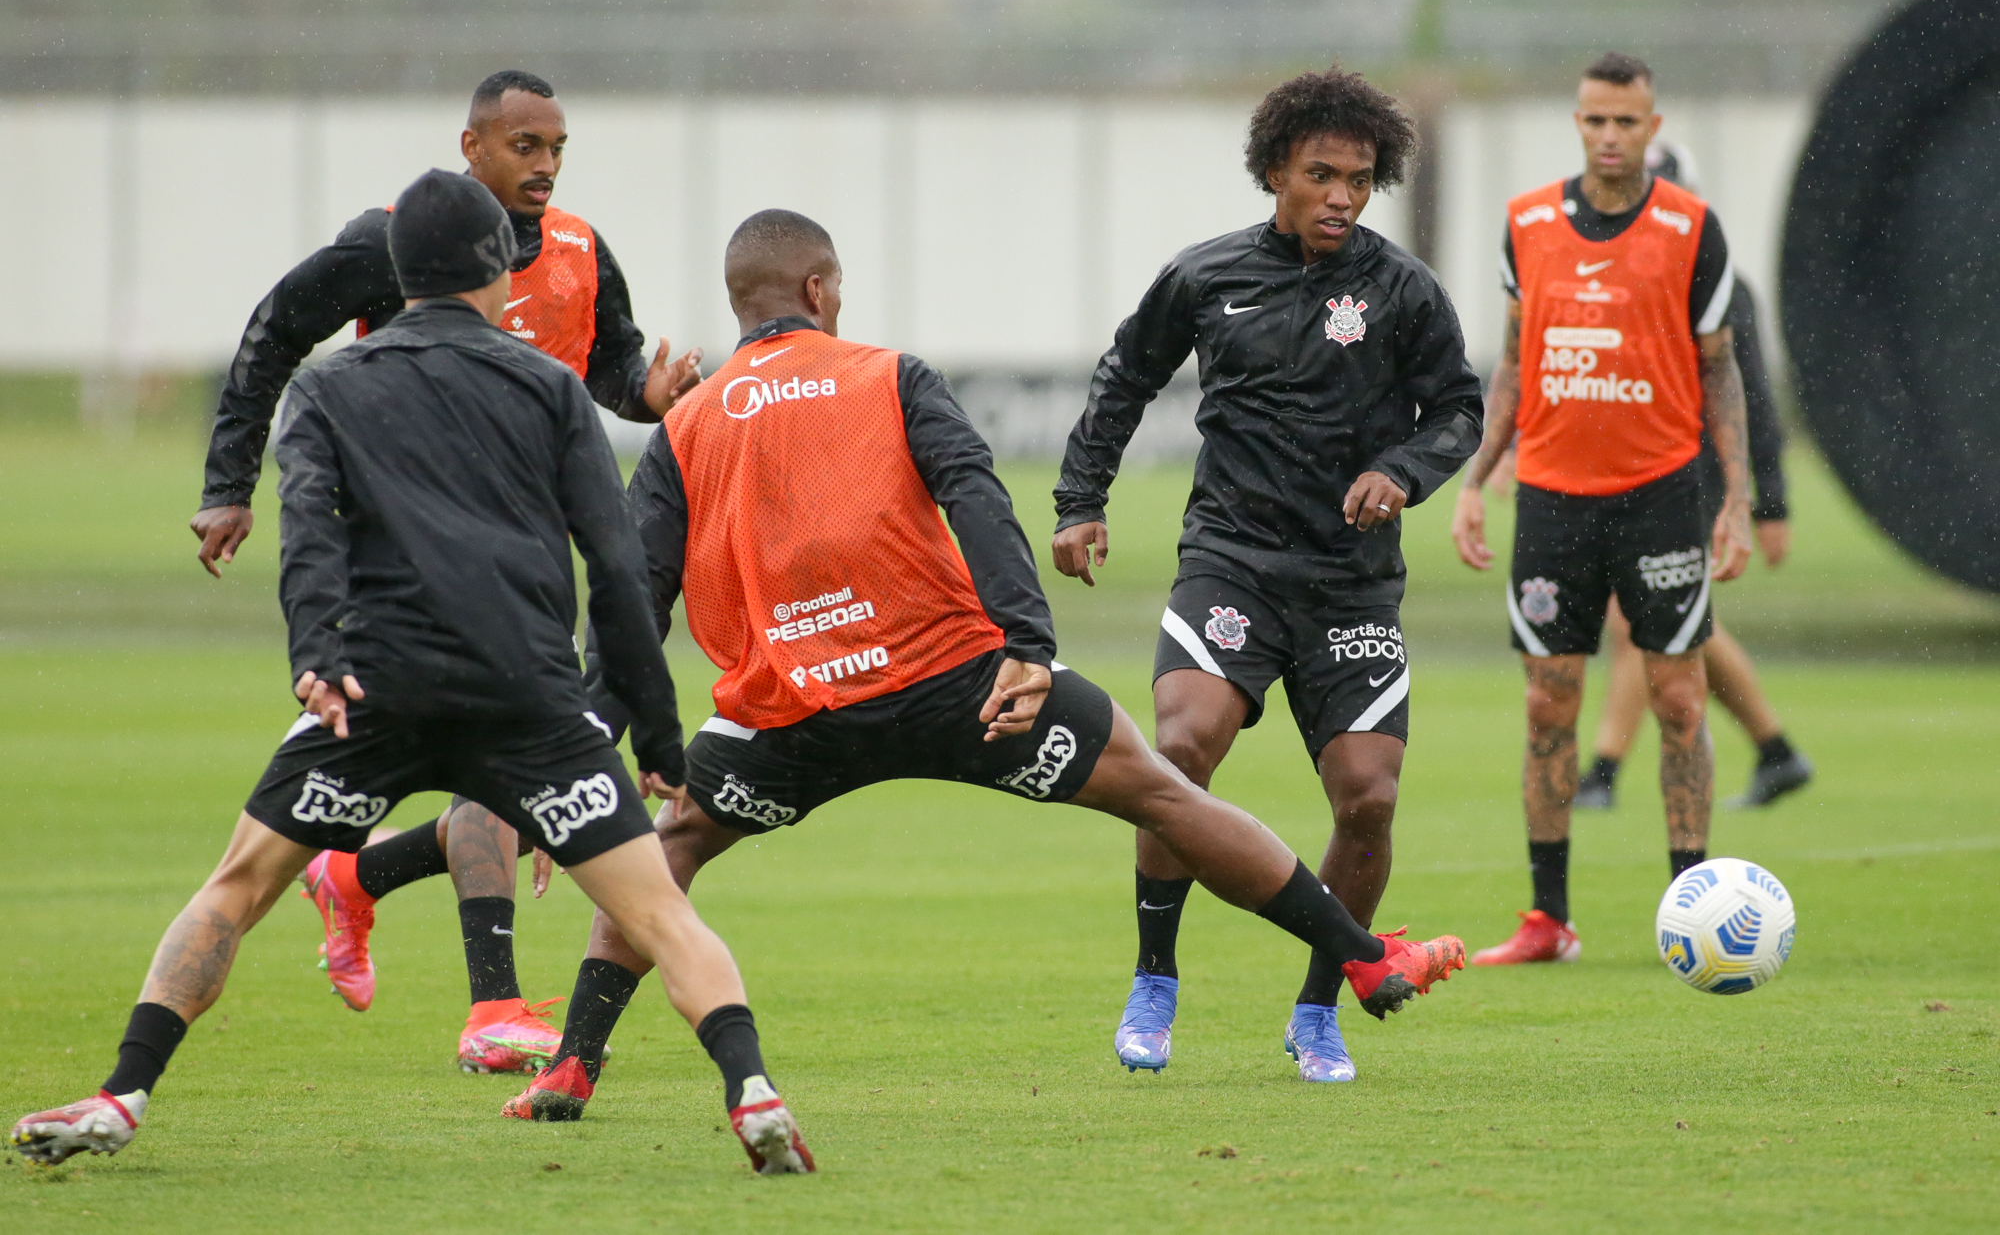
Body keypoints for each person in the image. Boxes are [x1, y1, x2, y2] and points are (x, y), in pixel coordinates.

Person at [491, 209, 1466, 1122]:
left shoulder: (688, 424)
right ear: (821, 289)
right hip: (963, 688)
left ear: (740, 300)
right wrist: (1029, 648)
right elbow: (975, 494)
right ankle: (1362, 958)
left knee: (668, 852)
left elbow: (631, 590)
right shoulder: (887, 374)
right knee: (1166, 793)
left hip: (790, 712)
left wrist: (594, 738)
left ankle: (575, 1060)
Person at [11, 171, 812, 1176]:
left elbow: (309, 540)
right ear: (496, 267)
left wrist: (318, 661)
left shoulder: (328, 387)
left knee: (235, 888)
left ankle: (123, 1093)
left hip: (376, 692)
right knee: (659, 912)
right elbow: (613, 567)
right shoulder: (548, 387)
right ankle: (751, 1092)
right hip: (528, 698)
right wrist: (653, 737)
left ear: (396, 274)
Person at [190, 68, 704, 1074]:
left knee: (514, 772)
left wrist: (644, 393)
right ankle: (494, 1006)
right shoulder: (394, 244)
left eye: (556, 148)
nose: (545, 166)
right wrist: (229, 482)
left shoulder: (582, 250)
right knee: (503, 749)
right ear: (469, 149)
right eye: (524, 147)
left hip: (520, 546)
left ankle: (361, 877)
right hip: (408, 548)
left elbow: (603, 366)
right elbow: (276, 331)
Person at [1046, 66, 1484, 1084]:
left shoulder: (1401, 290)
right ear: (1274, 172)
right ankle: (1155, 979)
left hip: (1348, 586)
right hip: (1231, 565)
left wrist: (1399, 471)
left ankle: (1317, 1008)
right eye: (1320, 174)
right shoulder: (1206, 278)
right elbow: (1124, 378)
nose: (1341, 195)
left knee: (1367, 799)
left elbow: (1458, 408)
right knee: (1180, 747)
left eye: (1359, 179)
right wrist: (1078, 502)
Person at [1450, 52, 1755, 967]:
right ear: (1577, 123)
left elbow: (1720, 369)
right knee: (1549, 705)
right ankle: (1548, 921)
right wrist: (1476, 477)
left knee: (1677, 697)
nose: (1610, 136)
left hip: (1661, 496)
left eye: (1627, 121)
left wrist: (1736, 499)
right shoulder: (1527, 225)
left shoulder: (1693, 229)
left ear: (1653, 128)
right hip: (1550, 498)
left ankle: (1689, 910)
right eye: (1595, 120)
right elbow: (1512, 356)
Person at [1576, 142, 1813, 811]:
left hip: (1693, 483)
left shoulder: (1722, 287)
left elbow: (1756, 402)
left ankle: (1601, 773)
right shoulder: (1606, 280)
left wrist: (1769, 504)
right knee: (1685, 626)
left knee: (1636, 623)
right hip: (1626, 479)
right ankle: (1776, 750)